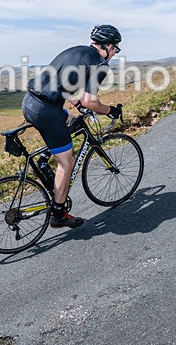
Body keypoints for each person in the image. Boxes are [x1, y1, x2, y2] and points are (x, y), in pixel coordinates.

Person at [22, 24, 123, 229]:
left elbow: (61, 83)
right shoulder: (100, 64)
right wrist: (110, 110)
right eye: (117, 49)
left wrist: (76, 104)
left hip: (29, 102)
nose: (115, 53)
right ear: (109, 46)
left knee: (68, 119)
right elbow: (89, 101)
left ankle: (44, 160)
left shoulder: (75, 51)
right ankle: (59, 214)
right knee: (67, 162)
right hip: (46, 110)